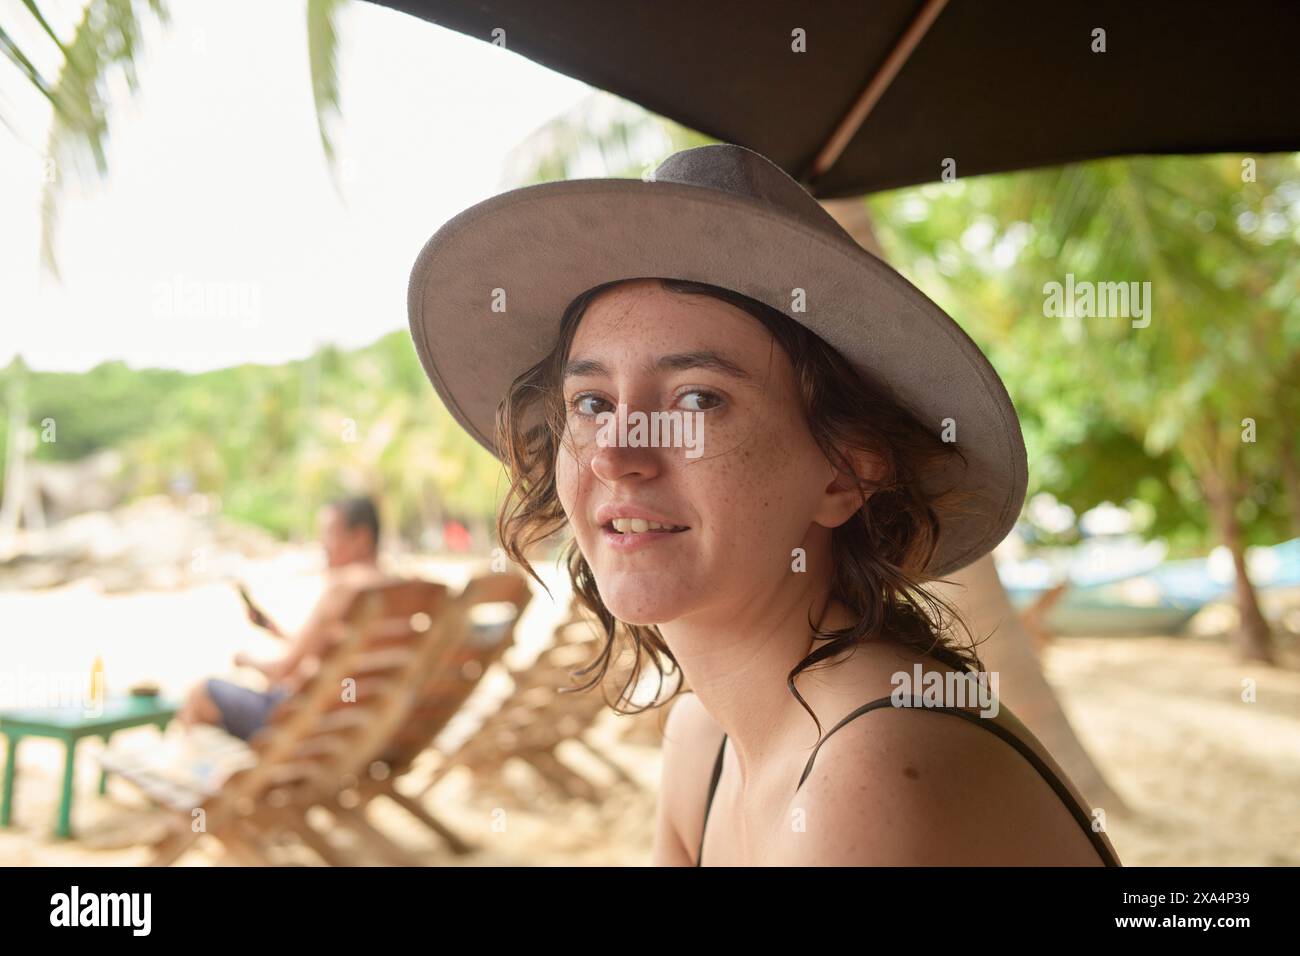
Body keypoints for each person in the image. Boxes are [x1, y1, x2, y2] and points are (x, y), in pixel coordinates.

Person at [405, 144, 1122, 866]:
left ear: (844, 474)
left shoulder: (871, 769)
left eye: (697, 399)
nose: (613, 453)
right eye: (590, 402)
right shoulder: (703, 738)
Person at [177, 495, 391, 742]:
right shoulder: (396, 589)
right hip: (358, 720)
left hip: (310, 729)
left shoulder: (345, 587)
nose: (323, 545)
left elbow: (282, 670)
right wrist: (273, 630)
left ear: (361, 538)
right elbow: (334, 657)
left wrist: (246, 661)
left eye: (331, 534)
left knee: (201, 693)